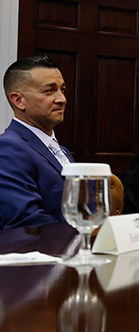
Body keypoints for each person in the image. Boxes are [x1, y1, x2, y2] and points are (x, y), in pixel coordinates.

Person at [0, 55, 74, 229]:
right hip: (45, 253)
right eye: (49, 91)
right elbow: (25, 222)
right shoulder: (8, 148)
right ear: (18, 100)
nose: (61, 99)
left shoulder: (61, 151)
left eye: (62, 90)